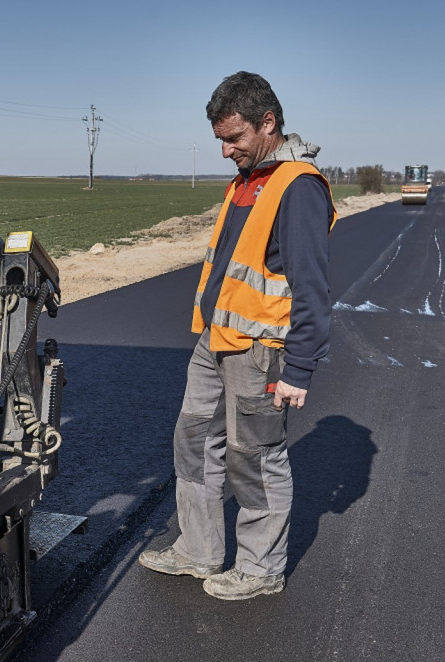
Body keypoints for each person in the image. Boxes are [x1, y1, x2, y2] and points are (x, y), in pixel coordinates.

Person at [138, 71, 336, 600]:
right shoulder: (247, 180)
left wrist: (299, 367)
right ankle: (198, 550)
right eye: (220, 140)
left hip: (259, 350)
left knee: (255, 455)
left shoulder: (298, 188)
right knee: (195, 440)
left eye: (234, 138)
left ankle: (260, 567)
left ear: (267, 123)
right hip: (215, 341)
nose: (226, 150)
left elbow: (312, 286)